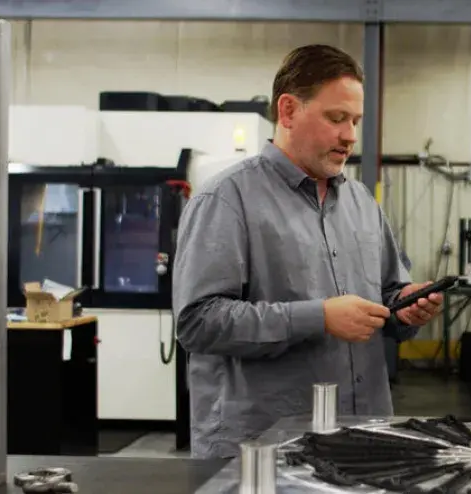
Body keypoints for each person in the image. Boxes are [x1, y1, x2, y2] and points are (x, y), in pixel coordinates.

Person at [172, 44, 443, 459]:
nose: (350, 136)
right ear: (288, 111)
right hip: (263, 448)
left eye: (355, 121)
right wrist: (319, 317)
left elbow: (389, 295)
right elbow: (198, 322)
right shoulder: (227, 199)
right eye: (336, 118)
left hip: (361, 437)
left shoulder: (360, 202)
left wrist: (406, 308)